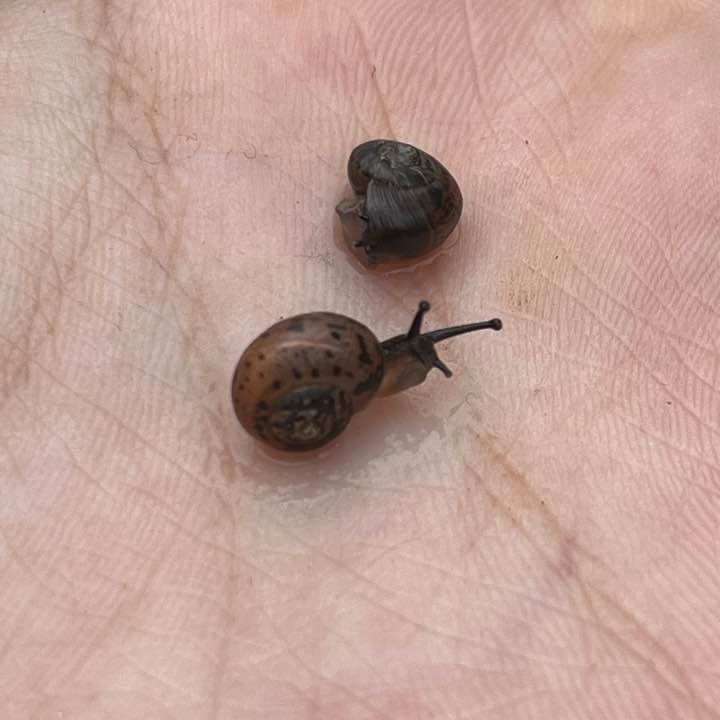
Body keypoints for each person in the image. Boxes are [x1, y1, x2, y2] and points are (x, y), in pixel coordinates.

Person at [2, 1, 717, 716]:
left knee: (407, 344)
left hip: (330, 382)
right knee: (406, 347)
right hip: (315, 395)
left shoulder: (361, 324)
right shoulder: (351, 353)